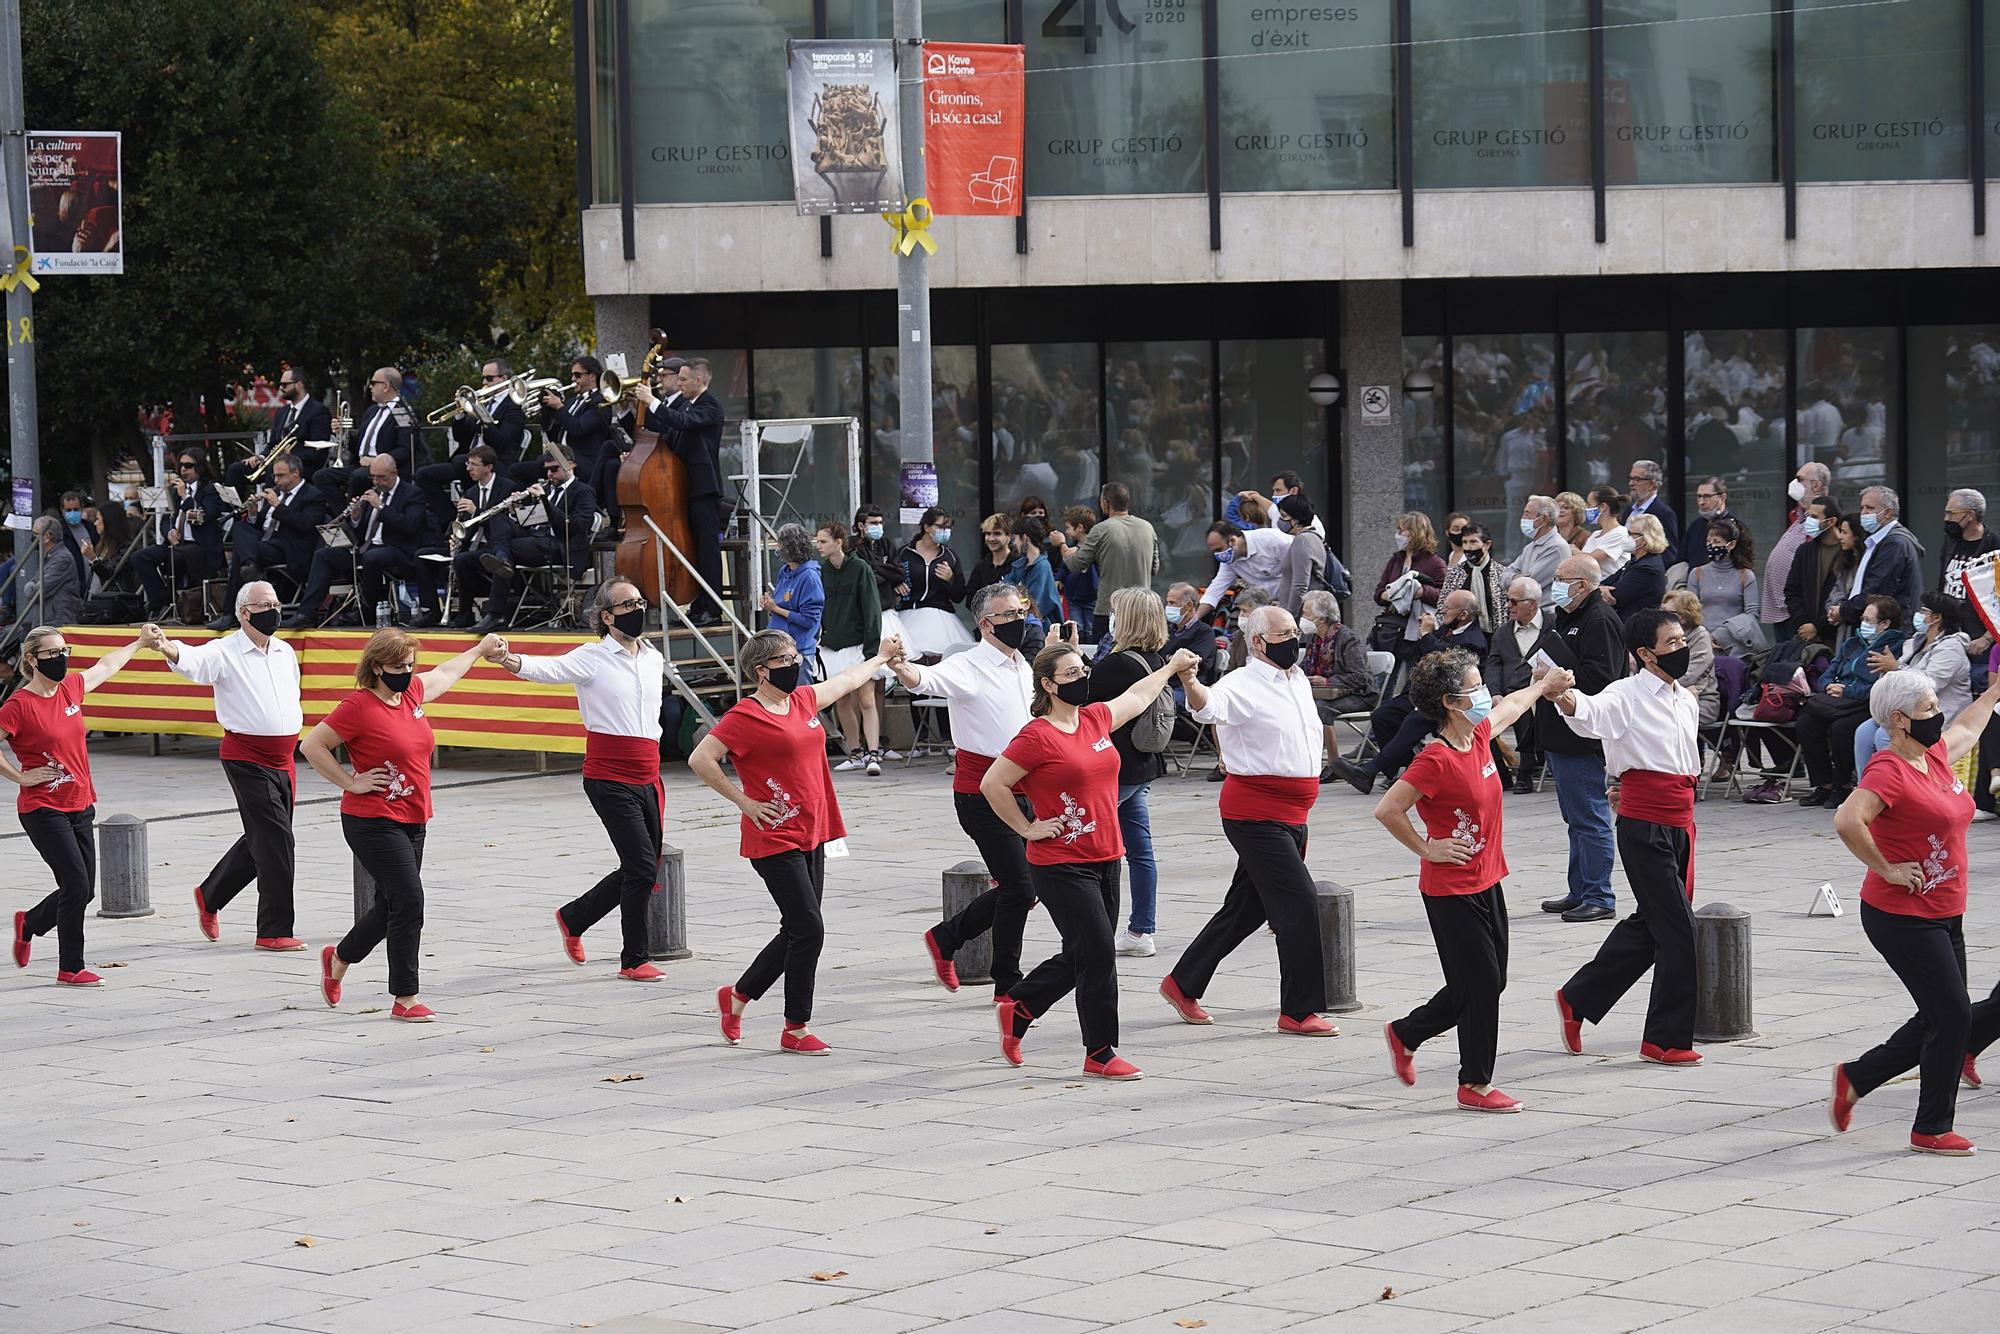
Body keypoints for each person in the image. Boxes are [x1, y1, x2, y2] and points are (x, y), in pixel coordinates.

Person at [983, 640, 1201, 1079]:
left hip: (1107, 856)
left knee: (1084, 952)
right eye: (1071, 674)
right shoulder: (1035, 736)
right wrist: (1027, 828)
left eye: (1083, 670)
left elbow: (1137, 697)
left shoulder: (1095, 719)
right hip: (1060, 863)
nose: (1082, 679)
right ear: (1047, 685)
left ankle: (1021, 1006)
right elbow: (993, 784)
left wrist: (1173, 667)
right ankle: (1099, 1052)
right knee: (1099, 952)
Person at [692, 629, 904, 1054]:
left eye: (795, 658)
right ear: (760, 671)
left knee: (797, 928)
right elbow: (702, 758)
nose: (795, 666)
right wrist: (744, 802)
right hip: (773, 836)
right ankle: (796, 1027)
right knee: (809, 928)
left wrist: (880, 659)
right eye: (785, 661)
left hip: (814, 829)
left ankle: (736, 997)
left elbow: (844, 681)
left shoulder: (804, 700)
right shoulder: (745, 716)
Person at [1377, 648, 1558, 1113]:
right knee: (1480, 985)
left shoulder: (1477, 737)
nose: (1484, 694)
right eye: (1474, 689)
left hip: (1488, 880)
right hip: (1450, 890)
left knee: (1488, 982)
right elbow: (1388, 809)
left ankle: (1408, 1032)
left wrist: (1542, 685)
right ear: (1450, 702)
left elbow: (1511, 706)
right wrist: (1426, 847)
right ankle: (1474, 1084)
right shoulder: (1434, 759)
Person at [1830, 670, 2000, 1155]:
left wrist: (1993, 692)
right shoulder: (1889, 769)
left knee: (1944, 1014)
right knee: (1951, 1018)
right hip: (1901, 915)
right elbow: (1847, 819)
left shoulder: (1934, 756)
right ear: (1900, 720)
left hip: (1946, 911)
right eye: (1928, 709)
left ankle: (1857, 1077)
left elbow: (1968, 727)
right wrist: (1886, 868)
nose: (1938, 715)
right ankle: (1931, 1127)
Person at [1159, 604, 1337, 1036]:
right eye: (1284, 633)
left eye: (1296, 630)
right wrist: (1188, 680)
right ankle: (1298, 1010)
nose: (1295, 638)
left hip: (1294, 812)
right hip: (1256, 814)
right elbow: (1206, 707)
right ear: (1258, 642)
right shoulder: (1241, 682)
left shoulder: (1296, 680)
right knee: (1299, 904)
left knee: (1245, 910)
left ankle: (1182, 982)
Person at [303, 629, 498, 1021]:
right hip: (371, 820)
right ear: (376, 667)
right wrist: (350, 782)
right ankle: (405, 997)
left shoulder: (409, 694)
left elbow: (445, 673)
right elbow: (312, 745)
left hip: (413, 816)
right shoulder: (357, 705)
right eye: (397, 667)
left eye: (410, 665)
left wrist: (477, 650)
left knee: (392, 903)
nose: (406, 673)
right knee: (410, 900)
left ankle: (340, 956)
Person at [483, 581, 668, 980]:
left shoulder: (653, 657)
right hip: (608, 775)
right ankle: (634, 958)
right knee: (639, 866)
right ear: (607, 616)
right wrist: (507, 659)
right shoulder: (593, 658)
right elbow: (547, 669)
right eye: (628, 604)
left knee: (643, 866)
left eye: (641, 601)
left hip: (647, 773)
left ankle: (574, 917)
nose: (638, 608)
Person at [1548, 609, 1706, 1066]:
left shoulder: (1686, 700)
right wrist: (1564, 697)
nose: (1682, 647)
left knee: (1652, 923)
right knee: (1679, 930)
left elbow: (1683, 762)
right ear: (1644, 653)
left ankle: (1579, 997)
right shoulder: (1626, 694)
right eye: (1671, 642)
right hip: (1644, 825)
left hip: (1681, 819)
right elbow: (1589, 712)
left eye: (1682, 639)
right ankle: (1665, 1037)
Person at [896, 586, 1040, 997]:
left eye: (1021, 610)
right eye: (1010, 614)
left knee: (1026, 888)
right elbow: (925, 680)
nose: (1020, 619)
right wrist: (902, 666)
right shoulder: (967, 665)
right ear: (986, 625)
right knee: (1020, 888)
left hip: (1025, 787)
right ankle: (1005, 981)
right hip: (982, 793)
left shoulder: (1022, 664)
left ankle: (949, 940)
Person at [152, 586, 307, 951]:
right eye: (263, 605)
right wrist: (166, 646)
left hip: (284, 757)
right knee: (277, 842)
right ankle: (273, 929)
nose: (272, 610)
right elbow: (192, 662)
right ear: (243, 613)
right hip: (247, 756)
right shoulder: (225, 650)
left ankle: (210, 895)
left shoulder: (284, 651)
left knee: (265, 838)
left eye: (275, 603)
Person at [3, 626, 152, 987]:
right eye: (52, 654)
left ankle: (31, 923)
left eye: (63, 650)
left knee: (84, 891)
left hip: (80, 804)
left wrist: (140, 643)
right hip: (43, 809)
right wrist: (19, 777)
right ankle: (70, 966)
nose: (61, 659)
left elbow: (105, 666)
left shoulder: (70, 689)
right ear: (31, 659)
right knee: (75, 884)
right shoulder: (18, 705)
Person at [1536, 556, 1627, 923]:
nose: (1556, 584)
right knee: (1575, 817)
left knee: (1590, 816)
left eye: (1562, 578)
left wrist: (1558, 677)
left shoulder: (1599, 619)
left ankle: (1599, 895)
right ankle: (1581, 889)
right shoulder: (1569, 615)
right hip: (1561, 730)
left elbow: (1601, 678)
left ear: (1583, 585)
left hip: (1583, 732)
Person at [1326, 590, 1489, 795]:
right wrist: (1427, 635)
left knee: (1414, 721)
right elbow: (1422, 657)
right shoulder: (1446, 630)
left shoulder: (1474, 639)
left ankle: (1370, 771)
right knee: (1383, 715)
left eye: (1447, 609)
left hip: (1453, 701)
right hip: (1424, 694)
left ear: (1463, 614)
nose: (1442, 613)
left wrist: (1427, 636)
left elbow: (1450, 664)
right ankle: (1402, 768)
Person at [1088, 588, 1173, 958]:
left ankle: (1097, 929)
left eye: (1115, 612)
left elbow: (1082, 704)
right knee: (1139, 850)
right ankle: (1141, 931)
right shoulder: (1156, 660)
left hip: (1115, 768)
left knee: (1095, 847)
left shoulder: (1116, 664)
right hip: (1142, 767)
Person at [288, 454, 437, 629]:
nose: (376, 482)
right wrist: (356, 518)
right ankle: (306, 614)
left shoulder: (412, 494)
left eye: (381, 477)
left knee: (372, 557)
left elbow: (409, 527)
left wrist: (381, 506)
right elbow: (361, 532)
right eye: (373, 477)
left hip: (397, 549)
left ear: (394, 473)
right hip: (365, 548)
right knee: (324, 554)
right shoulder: (371, 492)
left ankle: (366, 611)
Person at [472, 446, 598, 633]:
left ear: (570, 465)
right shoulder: (549, 490)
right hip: (536, 540)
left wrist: (545, 501)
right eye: (547, 470)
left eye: (554, 469)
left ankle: (496, 612)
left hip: (561, 546)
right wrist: (516, 510)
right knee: (497, 518)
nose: (549, 474)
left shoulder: (583, 491)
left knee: (507, 551)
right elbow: (530, 523)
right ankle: (501, 558)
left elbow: (575, 528)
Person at [1798, 595, 1907, 808]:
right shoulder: (1851, 644)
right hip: (1838, 701)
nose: (1863, 624)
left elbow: (1882, 686)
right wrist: (1829, 686)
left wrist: (1848, 690)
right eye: (1863, 619)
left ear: (1885, 624)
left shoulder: (1895, 647)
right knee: (1806, 723)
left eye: (1869, 620)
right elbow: (1828, 673)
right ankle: (1824, 784)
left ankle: (1842, 785)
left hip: (1865, 704)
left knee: (1842, 729)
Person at [1851, 594, 1971, 781]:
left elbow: (1929, 685)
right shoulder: (1916, 641)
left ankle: (1901, 789)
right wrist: (1888, 669)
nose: (1918, 614)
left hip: (1937, 716)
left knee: (1886, 734)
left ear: (1936, 618)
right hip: (1908, 712)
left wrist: (1895, 666)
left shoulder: (1952, 648)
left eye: (1923, 610)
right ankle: (1867, 788)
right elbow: (1899, 680)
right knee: (1864, 731)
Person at [212, 454, 329, 629]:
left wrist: (278, 506)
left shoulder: (313, 495)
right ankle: (250, 567)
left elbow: (306, 525)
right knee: (240, 528)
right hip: (265, 544)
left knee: (240, 555)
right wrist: (252, 513)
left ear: (295, 473)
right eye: (274, 475)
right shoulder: (276, 492)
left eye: (280, 475)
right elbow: (260, 525)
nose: (276, 480)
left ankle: (231, 612)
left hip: (289, 548)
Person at [651, 358, 727, 624]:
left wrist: (650, 402)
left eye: (683, 379)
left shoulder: (710, 406)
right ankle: (698, 605)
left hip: (703, 488)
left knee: (707, 550)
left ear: (699, 380)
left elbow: (683, 423)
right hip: (685, 486)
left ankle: (713, 609)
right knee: (693, 550)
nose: (679, 384)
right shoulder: (688, 405)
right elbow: (671, 435)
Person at [416, 357, 529, 532]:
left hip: (496, 463)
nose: (484, 383)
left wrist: (483, 419)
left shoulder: (514, 407)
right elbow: (461, 438)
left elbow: (502, 442)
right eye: (483, 378)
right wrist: (460, 414)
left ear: (504, 380)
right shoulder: (482, 402)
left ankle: (470, 520)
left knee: (461, 462)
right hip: (466, 461)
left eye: (489, 379)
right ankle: (449, 521)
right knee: (424, 475)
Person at [815, 521, 887, 774]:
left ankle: (874, 754)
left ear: (838, 542)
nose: (819, 546)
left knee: (866, 699)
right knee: (841, 701)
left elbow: (872, 611)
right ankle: (856, 752)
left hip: (859, 646)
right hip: (832, 646)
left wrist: (871, 652)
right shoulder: (822, 571)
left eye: (823, 541)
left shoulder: (860, 568)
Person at [1050, 483, 1159, 641]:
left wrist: (1061, 544)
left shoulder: (1101, 529)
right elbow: (1154, 568)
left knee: (1104, 656)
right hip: (1142, 608)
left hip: (1109, 609)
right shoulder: (1147, 527)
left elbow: (1075, 564)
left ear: (1105, 503)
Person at [136, 445, 226, 620]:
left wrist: (186, 497)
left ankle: (182, 601)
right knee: (140, 557)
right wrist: (169, 531)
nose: (183, 469)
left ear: (199, 467)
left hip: (200, 546)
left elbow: (205, 515)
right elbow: (165, 520)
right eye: (181, 466)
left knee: (175, 558)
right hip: (177, 544)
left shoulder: (210, 489)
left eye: (188, 465)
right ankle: (161, 601)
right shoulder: (177, 490)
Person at [1487, 576, 1557, 793]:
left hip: (1545, 691)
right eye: (1508, 600)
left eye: (1514, 601)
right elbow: (1493, 664)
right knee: (1478, 715)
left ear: (1532, 604)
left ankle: (1525, 772)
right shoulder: (1503, 632)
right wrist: (1494, 692)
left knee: (1524, 708)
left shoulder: (1552, 625)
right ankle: (1502, 774)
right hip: (1509, 692)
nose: (1509, 606)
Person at [441, 446, 520, 628]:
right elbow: (469, 528)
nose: (468, 468)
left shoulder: (508, 487)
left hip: (504, 544)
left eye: (474, 465)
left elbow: (504, 524)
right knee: (461, 559)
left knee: (496, 544)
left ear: (489, 467)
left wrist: (476, 511)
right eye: (468, 464)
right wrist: (458, 539)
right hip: (480, 546)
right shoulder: (470, 492)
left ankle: (495, 613)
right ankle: (465, 613)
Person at [314, 366, 415, 499]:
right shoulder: (372, 411)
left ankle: (355, 516)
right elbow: (358, 446)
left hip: (381, 470)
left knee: (358, 477)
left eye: (373, 383)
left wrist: (375, 461)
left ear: (385, 386)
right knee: (321, 477)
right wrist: (343, 433)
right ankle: (345, 515)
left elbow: (405, 448)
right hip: (359, 465)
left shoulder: (402, 412)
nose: (370, 387)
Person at [1301, 589, 1372, 775]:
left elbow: (1360, 677)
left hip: (1360, 694)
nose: (1303, 618)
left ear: (1322, 618)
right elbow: (1304, 667)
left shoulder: (1347, 638)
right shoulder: (1314, 639)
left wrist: (1326, 681)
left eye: (1307, 614)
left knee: (1321, 708)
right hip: (1328, 693)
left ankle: (1335, 764)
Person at [229, 368, 332, 495]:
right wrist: (261, 457)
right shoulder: (282, 412)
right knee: (235, 470)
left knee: (274, 472)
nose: (281, 388)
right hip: (277, 464)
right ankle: (234, 513)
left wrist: (291, 456)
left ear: (299, 385)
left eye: (285, 385)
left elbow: (319, 450)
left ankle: (268, 512)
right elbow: (273, 443)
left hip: (301, 467)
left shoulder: (318, 411)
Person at [1764, 461, 1836, 638]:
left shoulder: (1820, 521)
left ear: (1816, 485)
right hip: (1784, 610)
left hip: (1799, 614)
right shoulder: (1799, 516)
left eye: (1799, 479)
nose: (1794, 484)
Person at [537, 355, 617, 512]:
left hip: (583, 460)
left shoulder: (601, 401)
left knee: (532, 469)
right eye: (572, 375)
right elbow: (553, 434)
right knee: (519, 470)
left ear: (592, 376)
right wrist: (548, 409)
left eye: (577, 375)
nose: (573, 379)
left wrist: (559, 407)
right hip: (560, 455)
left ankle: (550, 512)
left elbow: (578, 429)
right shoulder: (573, 401)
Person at [1839, 487, 1923, 633]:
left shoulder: (1895, 543)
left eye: (1870, 508)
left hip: (1893, 628)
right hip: (1877, 625)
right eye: (1862, 508)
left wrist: (1844, 611)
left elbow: (1877, 587)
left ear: (1888, 512)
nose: (1864, 513)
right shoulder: (1877, 541)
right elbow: (1861, 584)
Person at [897, 506, 972, 658]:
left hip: (942, 619)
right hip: (908, 613)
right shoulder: (905, 553)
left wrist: (951, 579)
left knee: (943, 659)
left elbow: (959, 596)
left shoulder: (950, 556)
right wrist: (896, 583)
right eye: (940, 526)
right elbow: (891, 579)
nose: (945, 531)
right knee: (906, 657)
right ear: (926, 527)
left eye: (948, 527)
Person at [2, 520, 82, 658]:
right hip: (47, 618)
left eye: (35, 534)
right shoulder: (48, 557)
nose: (32, 538)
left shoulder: (62, 558)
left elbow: (36, 590)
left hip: (57, 621)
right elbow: (33, 583)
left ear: (46, 536)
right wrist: (32, 586)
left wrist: (32, 586)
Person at [1368, 512, 1447, 637]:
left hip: (1419, 628)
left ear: (1415, 533)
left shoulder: (1436, 563)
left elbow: (1445, 597)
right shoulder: (1396, 560)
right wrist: (1389, 594)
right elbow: (1379, 591)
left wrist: (1421, 592)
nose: (1397, 535)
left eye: (1401, 531)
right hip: (1394, 626)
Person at [762, 523, 825, 678]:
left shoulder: (810, 577)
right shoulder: (786, 571)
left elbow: (809, 620)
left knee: (800, 699)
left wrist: (775, 608)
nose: (777, 548)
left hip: (798, 651)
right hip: (778, 648)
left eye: (780, 544)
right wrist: (770, 604)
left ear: (790, 547)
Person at [1784, 497, 1849, 643]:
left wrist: (1818, 627)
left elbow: (1847, 597)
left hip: (1837, 635)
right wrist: (1803, 624)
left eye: (1814, 517)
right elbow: (1791, 591)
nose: (1808, 521)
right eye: (1808, 516)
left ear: (1831, 521)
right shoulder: (1805, 550)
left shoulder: (1848, 552)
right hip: (1805, 636)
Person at [1199, 520, 1293, 617]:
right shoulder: (1230, 560)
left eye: (1219, 549)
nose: (1218, 555)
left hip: (1294, 602)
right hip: (1268, 607)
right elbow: (1215, 590)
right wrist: (1194, 620)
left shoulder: (1272, 540)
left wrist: (1289, 604)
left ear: (1233, 541)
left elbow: (1301, 572)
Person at [1660, 590, 1722, 726]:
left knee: (1653, 717)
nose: (1662, 617)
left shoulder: (1701, 637)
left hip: (1701, 701)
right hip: (1670, 696)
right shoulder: (1664, 634)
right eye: (1661, 611)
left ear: (1684, 616)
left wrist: (1658, 688)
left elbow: (1688, 676)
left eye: (1669, 614)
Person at [1684, 516, 1759, 627]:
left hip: (1735, 637)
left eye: (1716, 541)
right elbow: (1689, 612)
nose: (1711, 545)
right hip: (1703, 638)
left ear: (1731, 545)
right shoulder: (1696, 574)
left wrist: (1722, 636)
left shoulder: (1746, 576)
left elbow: (1752, 614)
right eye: (1708, 541)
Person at [1268, 493, 1328, 618]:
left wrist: (1290, 616)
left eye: (1283, 516)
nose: (1280, 520)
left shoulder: (1303, 540)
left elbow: (1300, 584)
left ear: (1295, 520)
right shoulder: (1314, 537)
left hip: (1301, 616)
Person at [1602, 513, 1668, 625]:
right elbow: (1606, 582)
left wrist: (1601, 590)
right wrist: (1601, 589)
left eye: (1630, 534)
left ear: (1645, 538)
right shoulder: (1634, 561)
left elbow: (1615, 597)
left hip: (1636, 629)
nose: (1626, 538)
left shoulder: (1648, 568)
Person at [1441, 524, 1504, 636]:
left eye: (1473, 542)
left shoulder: (1501, 573)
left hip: (1495, 637)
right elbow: (1442, 605)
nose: (1468, 547)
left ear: (1487, 544)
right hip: (1461, 637)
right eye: (1465, 542)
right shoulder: (1455, 573)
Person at [1940, 488, 1999, 603]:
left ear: (1970, 515)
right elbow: (1942, 582)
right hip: (1949, 617)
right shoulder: (1951, 543)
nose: (1946, 518)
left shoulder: (1994, 546)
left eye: (1951, 514)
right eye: (1946, 513)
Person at [1512, 496, 1572, 609]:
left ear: (1544, 519)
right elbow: (1504, 575)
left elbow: (1527, 585)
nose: (1523, 518)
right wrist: (1516, 577)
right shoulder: (1529, 547)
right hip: (1529, 612)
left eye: (1527, 514)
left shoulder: (1557, 547)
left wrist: (1515, 579)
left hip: (1546, 613)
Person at [1004, 515, 1063, 623]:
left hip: (1040, 629)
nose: (1014, 543)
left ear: (1025, 538)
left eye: (1015, 538)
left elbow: (1033, 604)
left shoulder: (1042, 567)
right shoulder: (1021, 565)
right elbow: (1004, 588)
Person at [1622, 459, 1681, 566]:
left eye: (1637, 479)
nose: (1631, 483)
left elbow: (1670, 553)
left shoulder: (1664, 513)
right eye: (1630, 478)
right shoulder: (1628, 511)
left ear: (1652, 484)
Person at [1054, 506, 1098, 631]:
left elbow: (1071, 559)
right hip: (1073, 595)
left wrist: (1063, 545)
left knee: (1090, 627)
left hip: (1091, 594)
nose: (1066, 531)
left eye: (1068, 528)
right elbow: (1065, 566)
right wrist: (1059, 578)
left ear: (1079, 527)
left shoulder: (1093, 548)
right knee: (1076, 627)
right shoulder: (1071, 547)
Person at [1580, 486, 1634, 577]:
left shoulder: (1620, 533)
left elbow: (1589, 560)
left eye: (1589, 504)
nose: (1587, 509)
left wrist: (1572, 550)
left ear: (1602, 507)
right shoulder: (1595, 534)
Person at [1683, 476, 1738, 562]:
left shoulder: (1736, 526)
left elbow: (1743, 560)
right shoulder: (1695, 525)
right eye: (1699, 496)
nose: (1701, 502)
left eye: (1707, 496)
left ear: (1722, 498)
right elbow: (1683, 557)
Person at [965, 514, 1015, 602]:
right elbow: (970, 600)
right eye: (988, 534)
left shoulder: (1018, 565)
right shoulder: (980, 567)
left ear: (1009, 536)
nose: (991, 539)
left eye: (997, 534)